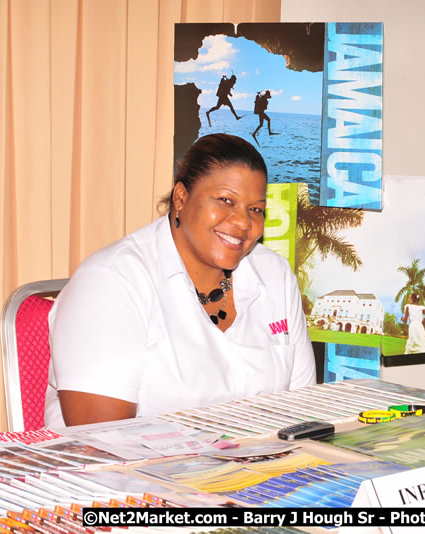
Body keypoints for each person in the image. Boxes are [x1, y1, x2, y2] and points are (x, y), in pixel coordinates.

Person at [44, 133, 316, 427]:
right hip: (135, 469)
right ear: (181, 198)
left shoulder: (274, 275)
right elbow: (102, 442)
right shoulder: (111, 281)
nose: (243, 222)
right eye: (226, 200)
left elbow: (301, 416)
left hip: (260, 468)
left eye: (255, 209)